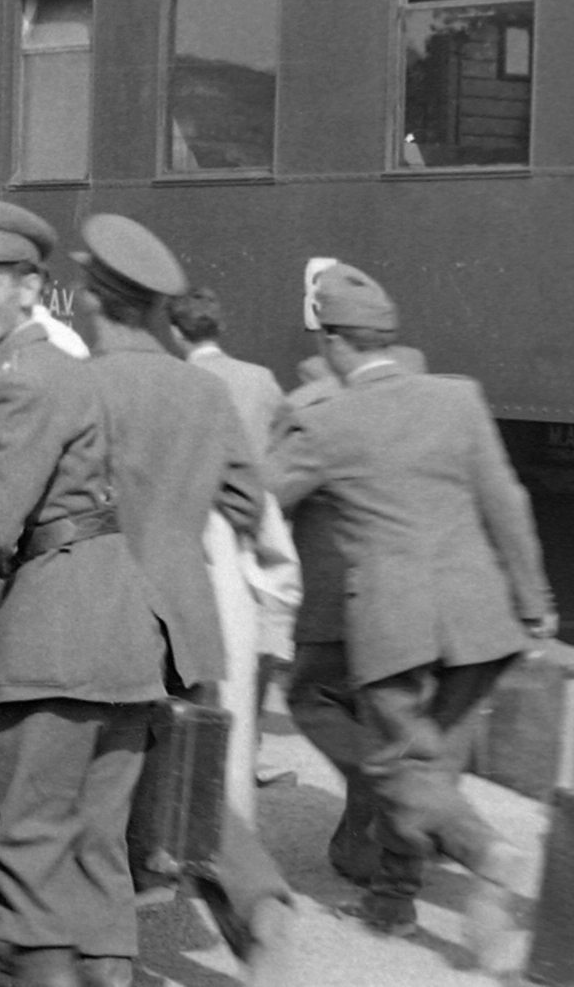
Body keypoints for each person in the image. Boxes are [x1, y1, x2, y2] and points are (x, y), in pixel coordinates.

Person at [0, 201, 166, 987]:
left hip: (56, 630)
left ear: (32, 289)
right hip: (124, 628)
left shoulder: (20, 377)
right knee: (97, 839)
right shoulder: (71, 369)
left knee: (27, 840)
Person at [265, 263, 555, 969]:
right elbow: (507, 501)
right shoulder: (460, 397)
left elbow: (262, 495)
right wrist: (535, 603)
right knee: (433, 762)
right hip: (482, 624)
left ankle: (489, 852)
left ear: (334, 342)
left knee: (394, 763)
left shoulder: (327, 417)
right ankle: (395, 900)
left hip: (397, 630)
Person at [73, 213, 294, 986]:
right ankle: (258, 902)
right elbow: (245, 496)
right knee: (182, 778)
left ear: (95, 300)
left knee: (91, 785)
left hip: (99, 613)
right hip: (188, 619)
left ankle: (99, 959)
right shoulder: (205, 391)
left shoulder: (81, 384)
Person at [278, 345, 425, 888]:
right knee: (383, 720)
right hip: (411, 600)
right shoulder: (416, 420)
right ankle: (376, 854)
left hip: (335, 597)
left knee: (313, 700)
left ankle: (394, 822)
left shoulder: (324, 419)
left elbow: (275, 494)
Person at [169, 286, 296, 788]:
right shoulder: (261, 380)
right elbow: (283, 447)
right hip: (246, 530)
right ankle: (247, 754)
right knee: (248, 656)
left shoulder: (180, 378)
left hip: (189, 534)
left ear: (176, 333)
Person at [169, 287, 285, 457]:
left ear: (176, 332)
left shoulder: (173, 384)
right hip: (256, 480)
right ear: (221, 326)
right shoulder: (261, 378)